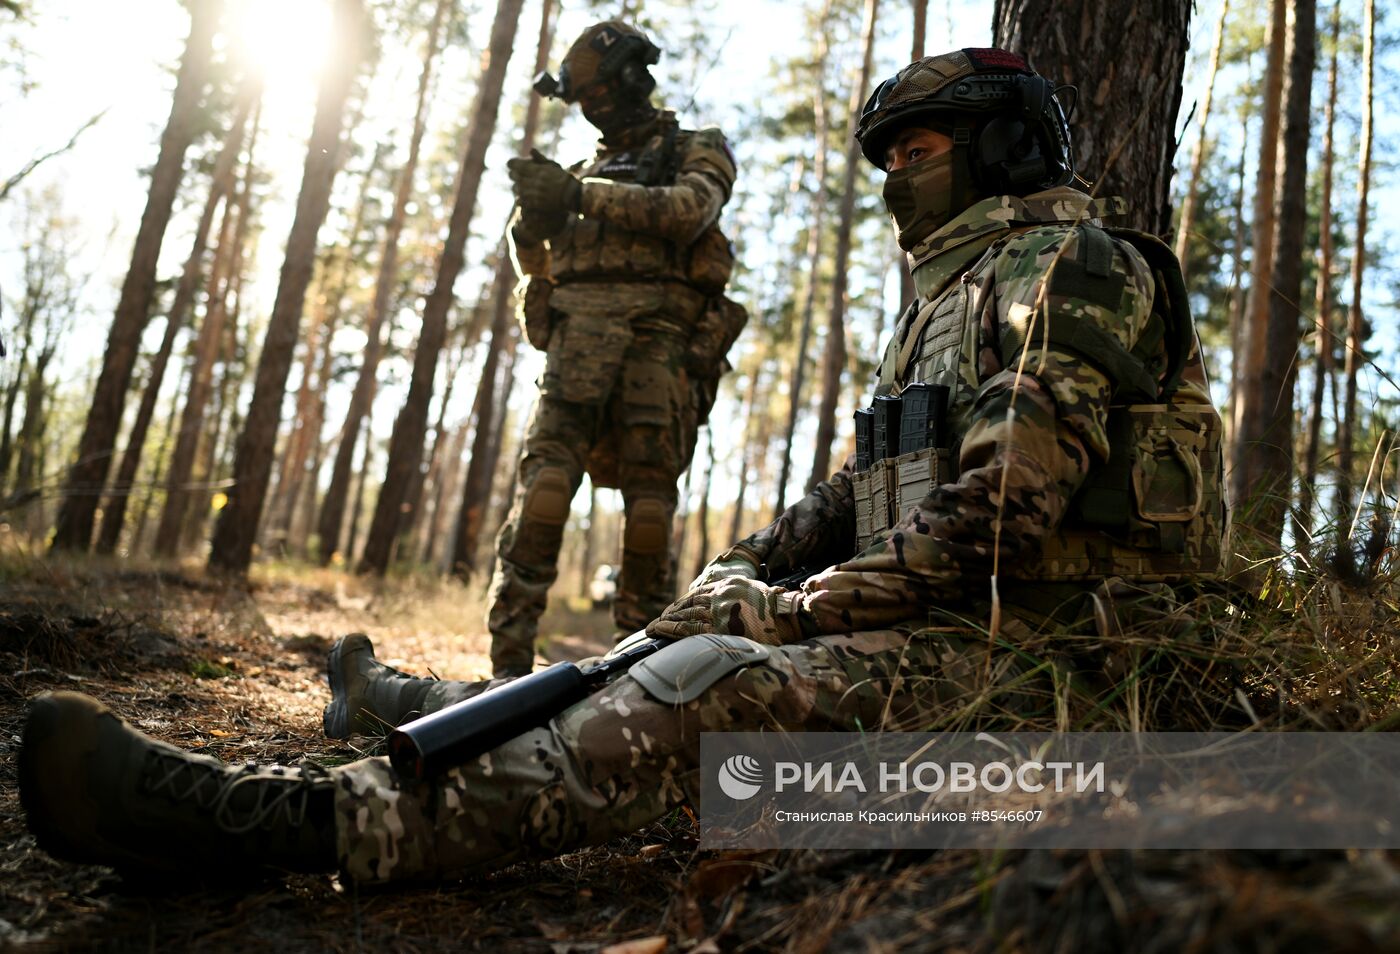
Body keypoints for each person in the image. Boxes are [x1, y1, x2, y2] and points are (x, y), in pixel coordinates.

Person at [19, 49, 1225, 884]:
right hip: (965, 649)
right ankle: (409, 716)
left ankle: (283, 825)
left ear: (1001, 149)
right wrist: (747, 561)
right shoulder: (951, 298)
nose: (895, 180)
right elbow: (862, 495)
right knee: (666, 644)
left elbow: (1005, 519)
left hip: (1060, 691)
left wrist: (791, 610)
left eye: (914, 151)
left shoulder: (1075, 265)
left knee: (713, 687)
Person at [487, 20, 742, 677]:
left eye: (600, 93)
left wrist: (575, 196)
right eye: (583, 101)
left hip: (657, 347)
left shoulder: (696, 149)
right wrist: (532, 224)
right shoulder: (577, 173)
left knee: (650, 516)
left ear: (634, 79)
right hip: (575, 351)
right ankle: (505, 672)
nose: (593, 110)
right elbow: (537, 267)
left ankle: (639, 676)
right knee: (541, 496)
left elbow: (689, 210)